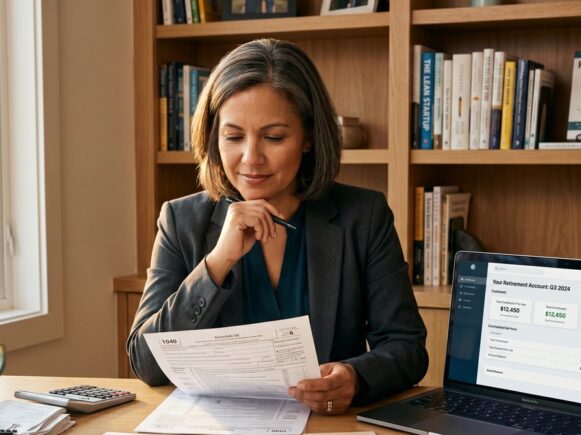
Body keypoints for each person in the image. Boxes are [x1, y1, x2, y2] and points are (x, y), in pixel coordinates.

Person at [127, 38, 428, 414]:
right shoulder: (181, 220)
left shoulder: (363, 216)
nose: (251, 158)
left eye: (273, 137)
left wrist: (355, 376)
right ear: (213, 137)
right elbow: (146, 363)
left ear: (308, 138)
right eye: (233, 137)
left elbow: (407, 347)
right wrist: (217, 262)